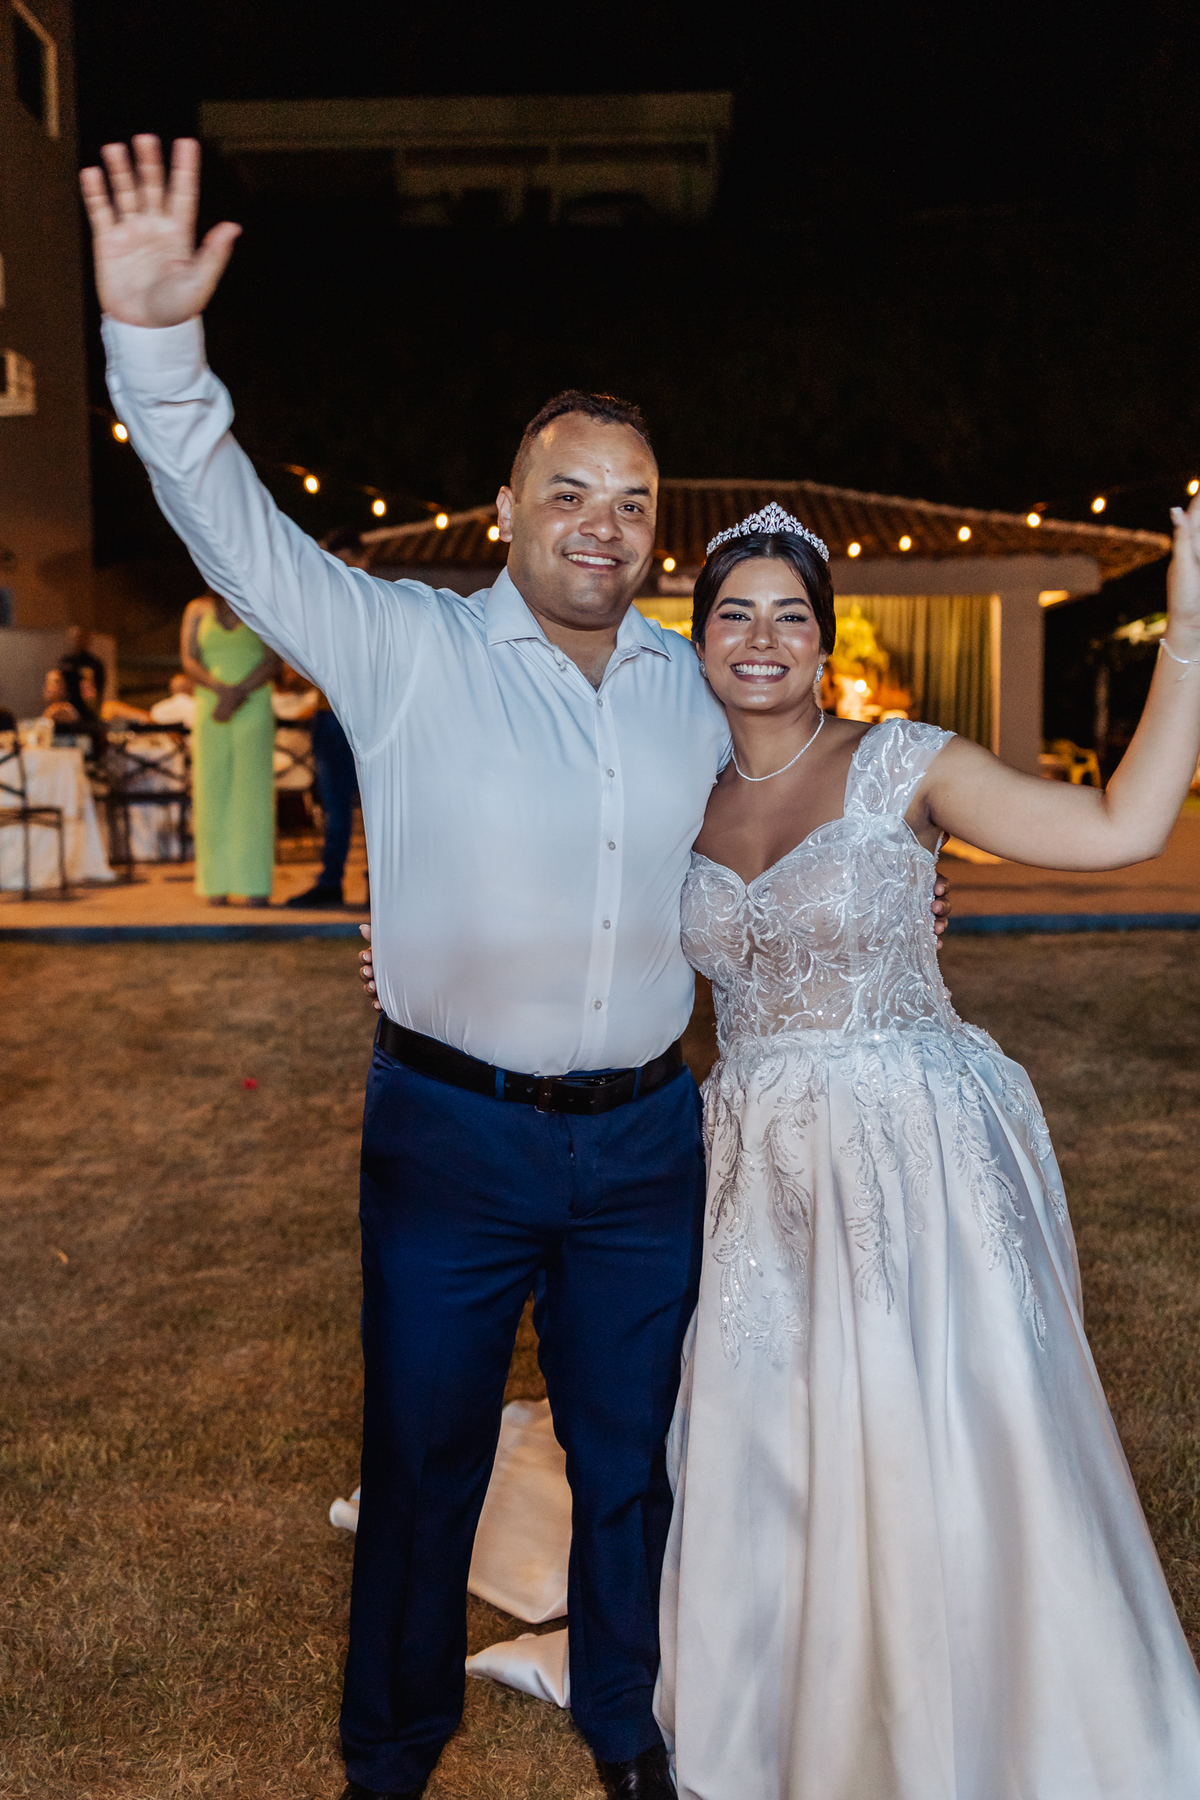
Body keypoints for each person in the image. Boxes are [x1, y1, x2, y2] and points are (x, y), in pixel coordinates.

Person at [78, 137, 949, 1800]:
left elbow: (805, 807)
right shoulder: (400, 647)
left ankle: (629, 1723)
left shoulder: (698, 684)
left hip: (645, 1142)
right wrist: (154, 350)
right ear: (505, 510)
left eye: (631, 503)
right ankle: (394, 1749)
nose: (602, 527)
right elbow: (232, 531)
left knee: (632, 1459)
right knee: (422, 1463)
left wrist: (899, 886)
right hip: (451, 1137)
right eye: (570, 493)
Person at [652, 502, 1200, 1799]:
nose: (762, 638)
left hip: (915, 1153)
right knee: (775, 1435)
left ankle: (997, 1703)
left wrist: (1188, 633)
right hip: (757, 1168)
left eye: (791, 614)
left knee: (940, 1425)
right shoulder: (672, 798)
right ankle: (792, 1701)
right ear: (699, 638)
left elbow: (1122, 827)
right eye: (736, 613)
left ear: (826, 638)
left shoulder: (906, 763)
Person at [180, 589, 280, 905]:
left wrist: (237, 694)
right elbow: (189, 659)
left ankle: (254, 883)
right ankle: (215, 883)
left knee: (253, 794)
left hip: (252, 702)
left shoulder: (260, 601)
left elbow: (273, 659)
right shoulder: (197, 609)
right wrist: (220, 690)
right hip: (211, 705)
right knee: (211, 792)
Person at [58, 624, 108, 714]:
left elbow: (99, 686)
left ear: (88, 640)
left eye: (83, 637)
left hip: (87, 708)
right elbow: (59, 684)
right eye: (77, 637)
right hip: (67, 706)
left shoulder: (94, 663)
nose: (79, 640)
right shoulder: (66, 661)